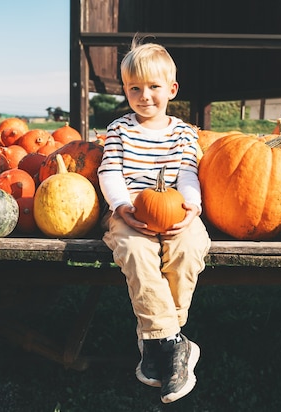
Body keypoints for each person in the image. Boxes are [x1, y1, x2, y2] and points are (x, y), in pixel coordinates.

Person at [97, 38, 211, 404]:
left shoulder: (182, 133)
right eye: (135, 88)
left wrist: (192, 206)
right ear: (125, 90)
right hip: (131, 212)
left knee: (190, 247)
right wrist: (120, 204)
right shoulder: (119, 130)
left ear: (172, 89)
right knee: (134, 251)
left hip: (176, 210)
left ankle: (157, 340)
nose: (144, 96)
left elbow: (188, 174)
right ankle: (174, 344)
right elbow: (110, 170)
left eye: (154, 87)